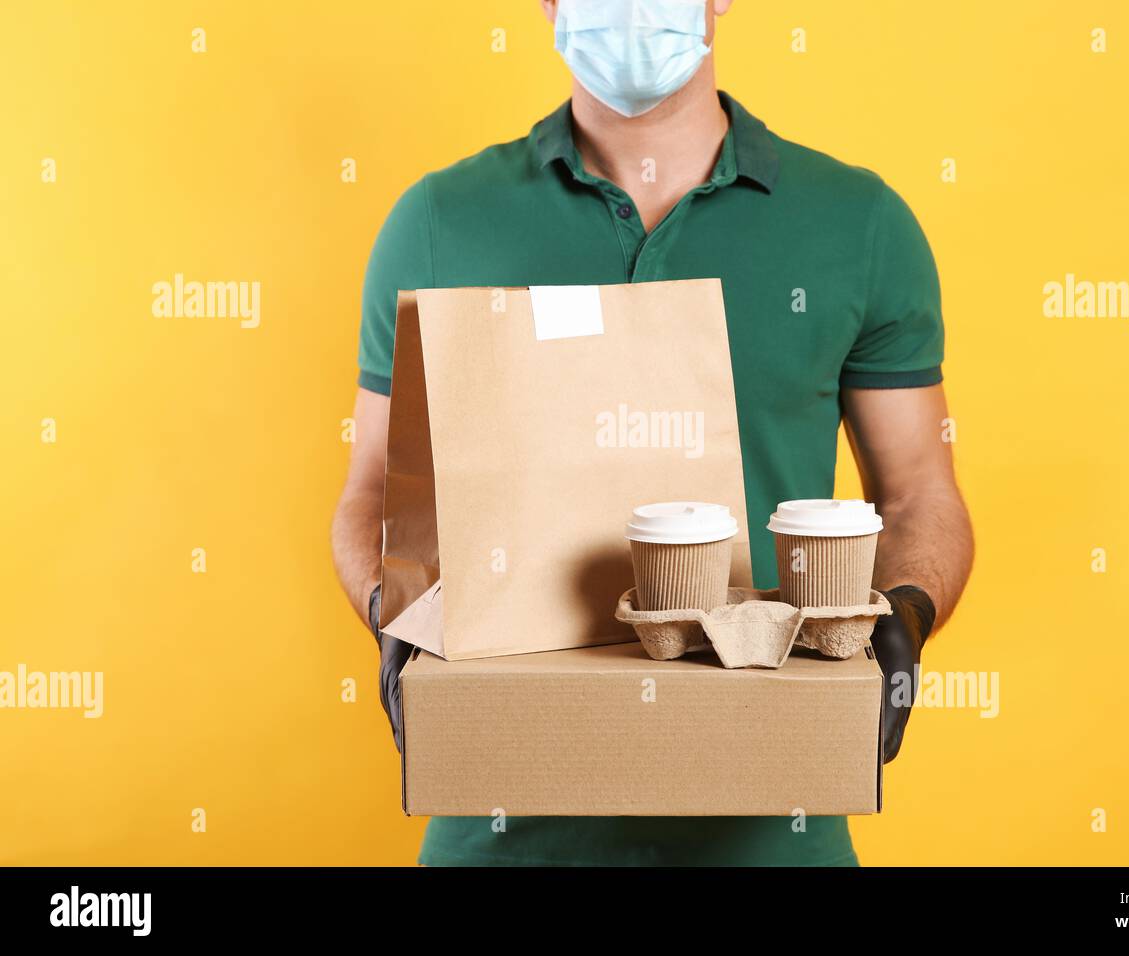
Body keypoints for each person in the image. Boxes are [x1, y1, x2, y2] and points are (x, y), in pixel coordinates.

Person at [331, 0, 974, 867]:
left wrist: (902, 615)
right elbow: (372, 489)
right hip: (503, 823)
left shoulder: (858, 224)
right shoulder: (442, 221)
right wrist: (392, 612)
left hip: (771, 822)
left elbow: (918, 493)